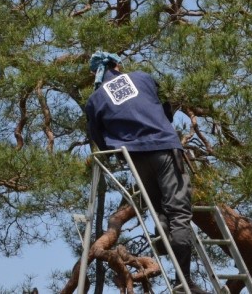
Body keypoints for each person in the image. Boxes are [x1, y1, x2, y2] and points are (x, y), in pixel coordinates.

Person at [85, 51, 210, 294]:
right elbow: (166, 106)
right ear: (117, 65)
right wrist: (161, 126)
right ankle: (184, 282)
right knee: (179, 215)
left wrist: (120, 149)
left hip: (137, 159)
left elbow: (99, 139)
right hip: (165, 148)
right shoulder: (142, 78)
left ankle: (165, 238)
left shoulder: (95, 100)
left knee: (160, 211)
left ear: (96, 73)